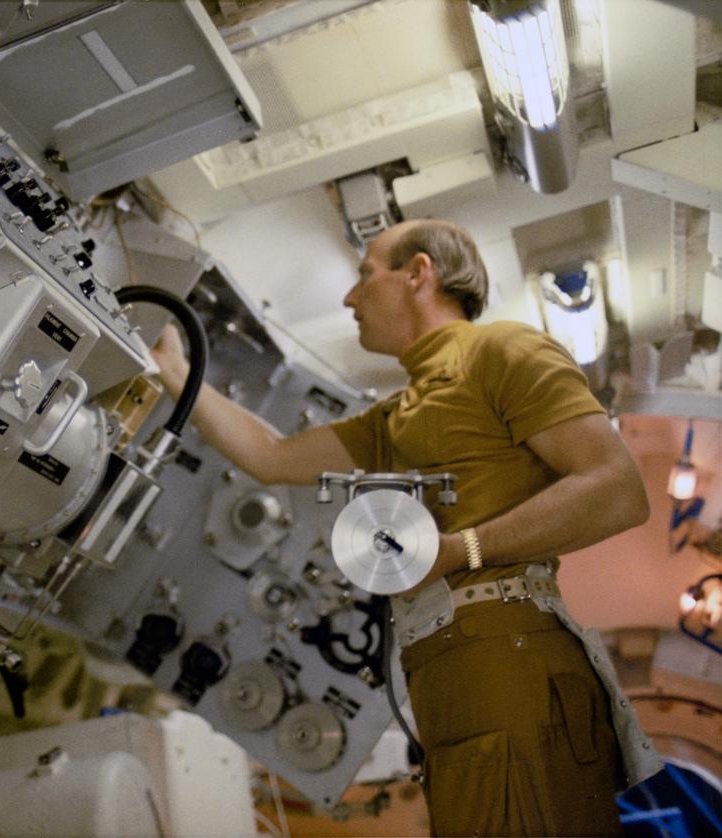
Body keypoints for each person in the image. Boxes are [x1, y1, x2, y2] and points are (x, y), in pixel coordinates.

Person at [151, 219, 661, 837]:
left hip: (507, 655)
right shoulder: (399, 415)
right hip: (451, 670)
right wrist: (178, 374)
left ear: (419, 273)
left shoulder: (504, 350)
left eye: (366, 274)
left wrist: (460, 548)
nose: (349, 297)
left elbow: (616, 490)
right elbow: (270, 456)